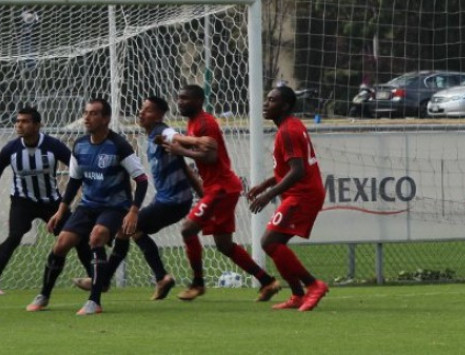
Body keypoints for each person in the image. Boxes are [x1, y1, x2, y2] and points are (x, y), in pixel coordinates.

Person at [25, 97, 148, 316]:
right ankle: (43, 295)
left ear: (106, 118)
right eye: (86, 113)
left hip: (115, 206)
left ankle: (94, 301)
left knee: (97, 236)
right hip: (88, 205)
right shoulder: (80, 144)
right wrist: (61, 210)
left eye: (93, 113)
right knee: (62, 243)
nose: (86, 117)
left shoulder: (119, 145)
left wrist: (133, 211)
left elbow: (141, 180)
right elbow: (74, 180)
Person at [158, 84, 281, 301]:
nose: (180, 102)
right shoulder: (194, 122)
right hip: (220, 188)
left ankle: (197, 283)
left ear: (198, 101)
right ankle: (267, 281)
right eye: (179, 98)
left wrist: (181, 151)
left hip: (221, 188)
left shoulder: (206, 123)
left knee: (188, 229)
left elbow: (211, 157)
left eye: (185, 98)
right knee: (224, 245)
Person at [0, 106, 94, 296]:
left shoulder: (53, 146)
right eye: (17, 121)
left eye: (24, 121)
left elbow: (76, 169)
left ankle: (96, 279)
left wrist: (89, 188)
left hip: (52, 203)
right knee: (14, 236)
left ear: (37, 125)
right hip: (22, 202)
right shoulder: (12, 149)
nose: (19, 125)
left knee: (76, 237)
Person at [99, 96, 200, 300]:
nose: (141, 113)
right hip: (167, 200)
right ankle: (158, 277)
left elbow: (175, 137)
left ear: (160, 115)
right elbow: (183, 166)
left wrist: (195, 141)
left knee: (129, 227)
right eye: (141, 109)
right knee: (132, 230)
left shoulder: (163, 132)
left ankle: (106, 280)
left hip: (174, 201)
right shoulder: (152, 135)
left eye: (147, 110)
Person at [247, 85, 329, 311]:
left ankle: (314, 285)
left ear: (285, 106)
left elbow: (298, 170)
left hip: (303, 195)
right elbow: (288, 168)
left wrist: (267, 195)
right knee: (275, 243)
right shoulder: (288, 127)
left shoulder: (288, 131)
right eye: (267, 99)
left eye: (272, 100)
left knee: (269, 242)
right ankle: (297, 295)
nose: (266, 104)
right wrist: (265, 184)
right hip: (301, 193)